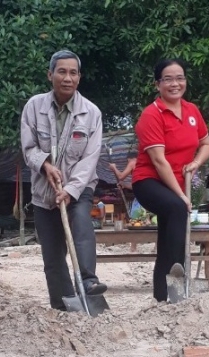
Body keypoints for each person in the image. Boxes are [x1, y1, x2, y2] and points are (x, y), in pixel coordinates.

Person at [21, 49, 107, 311]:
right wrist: (45, 165)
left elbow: (90, 159)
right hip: (43, 192)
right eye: (61, 71)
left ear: (79, 78)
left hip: (79, 188)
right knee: (53, 256)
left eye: (73, 72)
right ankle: (63, 306)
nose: (67, 77)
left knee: (81, 222)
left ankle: (88, 281)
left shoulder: (91, 113)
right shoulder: (34, 107)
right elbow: (28, 148)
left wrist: (70, 189)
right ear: (50, 75)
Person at [131, 58, 209, 302]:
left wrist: (196, 163)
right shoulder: (152, 114)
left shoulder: (191, 111)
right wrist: (180, 194)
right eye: (168, 79)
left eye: (180, 78)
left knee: (169, 232)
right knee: (178, 208)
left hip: (177, 182)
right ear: (158, 84)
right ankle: (178, 271)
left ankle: (161, 296)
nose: (175, 83)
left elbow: (206, 144)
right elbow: (159, 161)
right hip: (150, 181)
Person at [109, 156, 139, 251]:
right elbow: (137, 186)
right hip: (144, 194)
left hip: (142, 197)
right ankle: (155, 247)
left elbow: (121, 176)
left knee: (135, 219)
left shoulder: (133, 161)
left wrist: (114, 168)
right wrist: (124, 185)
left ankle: (133, 247)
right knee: (151, 220)